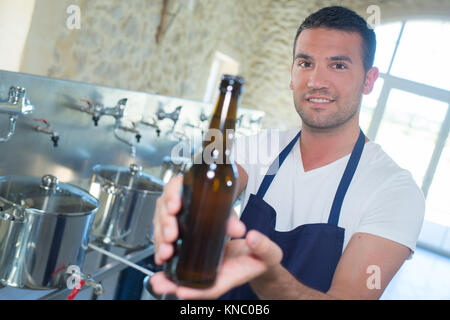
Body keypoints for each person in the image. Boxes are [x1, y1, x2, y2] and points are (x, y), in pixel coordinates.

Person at [150, 6, 425, 300]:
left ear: (369, 80)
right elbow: (210, 186)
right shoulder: (256, 148)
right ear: (292, 74)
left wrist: (268, 276)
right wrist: (182, 204)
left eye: (338, 66)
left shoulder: (395, 191)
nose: (316, 81)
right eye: (305, 63)